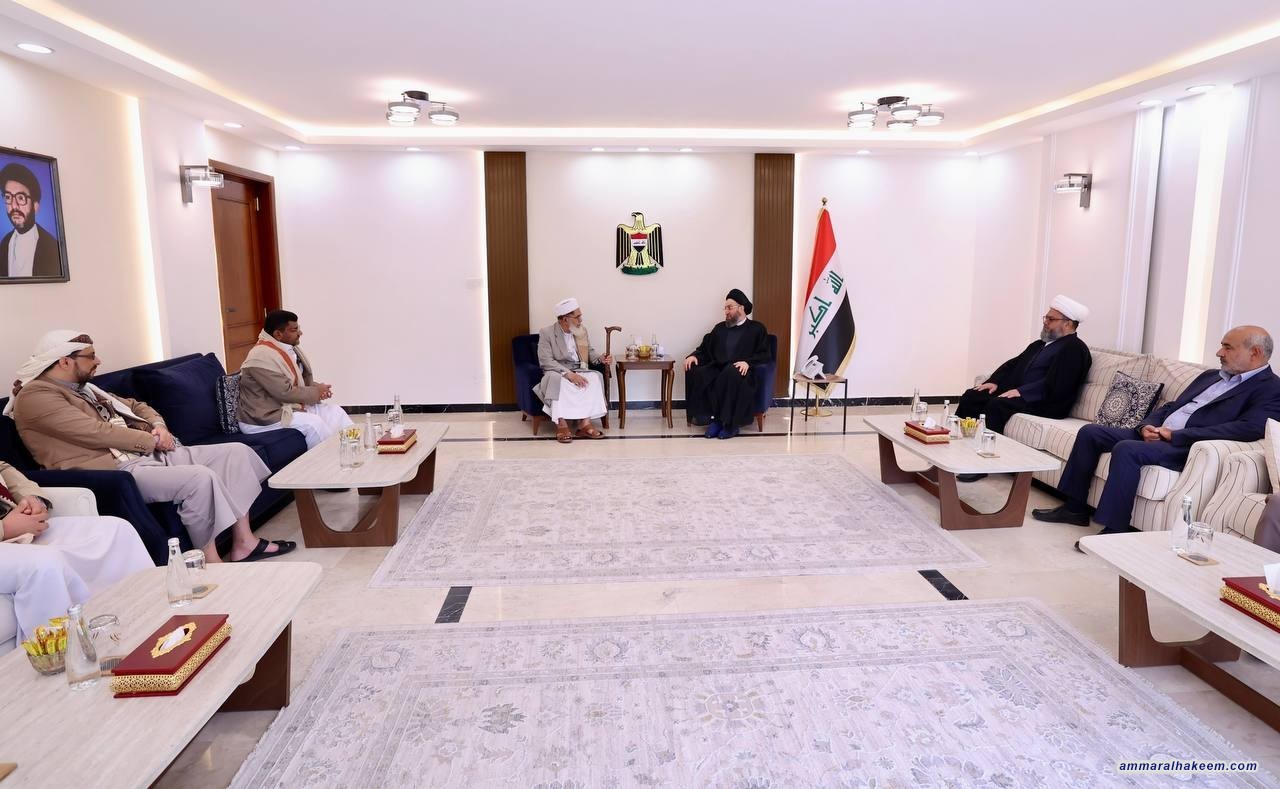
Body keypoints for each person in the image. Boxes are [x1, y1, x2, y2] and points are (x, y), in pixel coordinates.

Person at [9, 331, 295, 564]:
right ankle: (210, 560)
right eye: (90, 356)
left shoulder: (86, 388)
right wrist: (152, 440)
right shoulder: (36, 396)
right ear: (64, 361)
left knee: (237, 453)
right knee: (199, 478)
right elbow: (94, 432)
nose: (98, 360)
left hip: (147, 454)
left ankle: (244, 542)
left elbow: (136, 405)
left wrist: (159, 426)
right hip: (114, 470)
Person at [1032, 326, 1280, 551]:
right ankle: (1074, 508)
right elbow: (1172, 405)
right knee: (1090, 432)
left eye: (1227, 347)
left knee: (1127, 449)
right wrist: (1147, 425)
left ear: (1255, 353)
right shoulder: (1210, 376)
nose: (1219, 352)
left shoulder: (1271, 388)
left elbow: (1248, 428)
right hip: (1158, 433)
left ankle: (1115, 530)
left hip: (1185, 445)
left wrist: (1177, 435)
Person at [1, 462, 152, 643]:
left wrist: (32, 498)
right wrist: (5, 528)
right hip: (6, 531)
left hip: (15, 522)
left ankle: (145, 622)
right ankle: (67, 652)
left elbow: (3, 468)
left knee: (115, 529)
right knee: (45, 565)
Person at [956, 294, 1093, 434]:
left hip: (1044, 402)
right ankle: (961, 437)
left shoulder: (1074, 348)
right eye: (1046, 318)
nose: (1045, 322)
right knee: (972, 396)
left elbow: (1059, 383)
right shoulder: (1039, 344)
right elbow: (1012, 364)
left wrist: (1022, 392)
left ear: (1067, 323)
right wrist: (995, 381)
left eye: (1051, 319)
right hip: (1022, 395)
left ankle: (987, 443)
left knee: (998, 405)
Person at [238, 310, 352, 449]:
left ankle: (354, 450)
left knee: (335, 412)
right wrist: (316, 392)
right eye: (294, 330)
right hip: (263, 417)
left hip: (285, 407)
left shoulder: (286, 349)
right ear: (278, 334)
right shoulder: (261, 356)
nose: (300, 333)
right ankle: (328, 460)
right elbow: (285, 392)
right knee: (313, 424)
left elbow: (296, 382)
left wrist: (319, 389)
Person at [684, 289, 771, 440]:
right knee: (700, 372)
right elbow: (705, 348)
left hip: (743, 372)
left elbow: (764, 354)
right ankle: (714, 420)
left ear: (741, 308)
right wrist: (694, 356)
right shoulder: (719, 329)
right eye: (725, 308)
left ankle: (731, 425)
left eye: (729, 307)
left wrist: (748, 363)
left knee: (730, 373)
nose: (726, 312)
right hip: (719, 367)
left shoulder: (757, 328)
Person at [534, 298, 612, 443]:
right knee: (555, 380)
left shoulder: (581, 331)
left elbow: (589, 352)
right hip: (557, 371)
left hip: (579, 368)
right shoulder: (547, 333)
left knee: (595, 377)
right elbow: (546, 361)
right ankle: (561, 424)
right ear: (565, 319)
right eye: (577, 317)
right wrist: (568, 374)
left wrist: (601, 358)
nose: (581, 320)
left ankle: (585, 424)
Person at [0, 162, 62, 278]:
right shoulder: (3, 244)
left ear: (35, 206)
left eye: (21, 198)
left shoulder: (52, 247)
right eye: (8, 197)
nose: (14, 206)